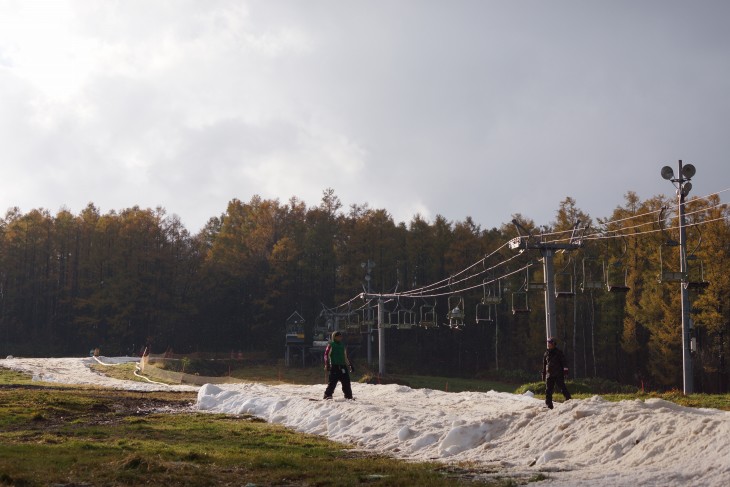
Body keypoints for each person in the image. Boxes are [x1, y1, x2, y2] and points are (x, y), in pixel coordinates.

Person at [323, 330, 354, 400]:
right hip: (334, 366)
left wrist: (350, 365)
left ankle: (348, 396)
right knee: (332, 382)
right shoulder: (331, 345)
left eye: (341, 336)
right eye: (338, 336)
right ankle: (327, 395)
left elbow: (345, 356)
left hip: (343, 366)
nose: (340, 338)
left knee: (346, 382)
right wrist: (327, 364)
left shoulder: (342, 345)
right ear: (334, 337)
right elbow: (326, 355)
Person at [542, 337, 571, 409]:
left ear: (553, 344)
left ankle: (570, 401)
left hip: (558, 374)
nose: (548, 344)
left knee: (563, 388)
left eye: (550, 342)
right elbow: (544, 365)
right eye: (548, 342)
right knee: (548, 390)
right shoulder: (546, 353)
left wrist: (566, 372)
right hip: (549, 375)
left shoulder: (559, 353)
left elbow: (564, 363)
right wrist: (544, 374)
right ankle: (549, 405)